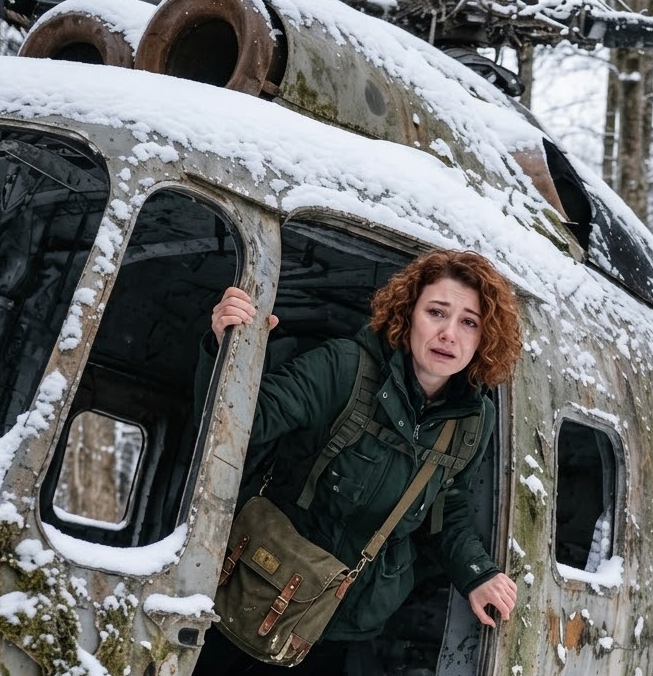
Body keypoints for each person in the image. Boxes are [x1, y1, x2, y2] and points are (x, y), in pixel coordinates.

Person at [204, 249, 522, 650]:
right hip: (254, 581)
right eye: (436, 313)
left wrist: (477, 574)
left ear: (484, 338)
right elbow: (243, 425)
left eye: (469, 323)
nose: (449, 334)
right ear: (407, 314)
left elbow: (446, 512)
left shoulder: (475, 420)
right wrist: (228, 350)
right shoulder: (343, 367)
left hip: (348, 623)